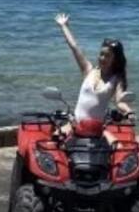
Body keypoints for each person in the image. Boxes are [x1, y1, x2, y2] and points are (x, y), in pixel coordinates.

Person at [53, 12, 133, 144]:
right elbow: (74, 47)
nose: (102, 58)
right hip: (76, 124)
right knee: (54, 141)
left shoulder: (116, 79)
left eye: (107, 56)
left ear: (115, 59)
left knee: (118, 148)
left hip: (97, 129)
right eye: (101, 54)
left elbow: (120, 101)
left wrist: (129, 112)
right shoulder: (88, 70)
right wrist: (63, 26)